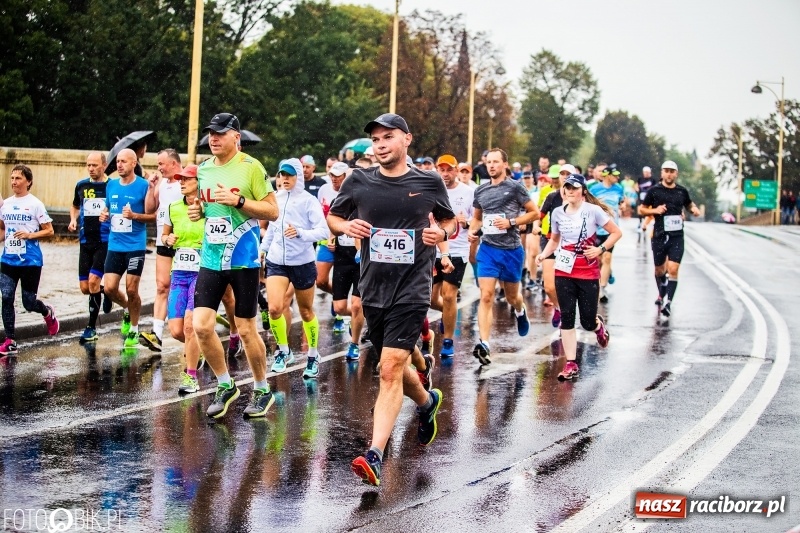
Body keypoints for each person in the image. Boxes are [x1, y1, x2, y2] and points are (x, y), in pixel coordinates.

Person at [327, 113, 456, 487]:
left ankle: (374, 455)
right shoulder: (359, 181)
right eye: (376, 139)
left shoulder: (428, 181)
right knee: (396, 370)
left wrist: (439, 232)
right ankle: (428, 401)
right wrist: (346, 226)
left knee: (388, 369)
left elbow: (451, 222)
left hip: (412, 288)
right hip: (373, 289)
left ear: (406, 140)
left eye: (388, 137)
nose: (380, 144)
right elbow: (334, 217)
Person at [189, 112, 279, 419]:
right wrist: (198, 212)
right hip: (212, 257)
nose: (213, 138)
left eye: (220, 133)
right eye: (210, 134)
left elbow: (272, 211)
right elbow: (206, 209)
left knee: (245, 328)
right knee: (201, 325)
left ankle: (262, 388)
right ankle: (226, 384)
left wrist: (240, 202)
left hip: (243, 258)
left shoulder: (251, 168)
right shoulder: (203, 169)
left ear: (235, 136)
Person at [536, 173, 621, 380]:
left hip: (588, 271)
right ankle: (571, 363)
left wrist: (600, 249)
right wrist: (544, 254)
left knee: (587, 321)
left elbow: (616, 233)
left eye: (574, 187)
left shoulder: (593, 211)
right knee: (567, 317)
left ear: (583, 190)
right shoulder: (557, 213)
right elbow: (554, 240)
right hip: (564, 270)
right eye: (567, 187)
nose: (570, 191)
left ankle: (598, 326)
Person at [468, 148, 540, 365]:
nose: (491, 165)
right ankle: (485, 344)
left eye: (496, 162)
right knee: (487, 295)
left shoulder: (516, 188)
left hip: (511, 250)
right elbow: (477, 219)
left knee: (512, 297)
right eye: (488, 162)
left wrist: (511, 222)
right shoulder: (481, 191)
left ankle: (520, 310)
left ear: (505, 164)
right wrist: (472, 230)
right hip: (488, 249)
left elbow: (534, 213)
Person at [260, 158, 328, 378]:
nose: (285, 179)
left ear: (298, 176)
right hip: (277, 261)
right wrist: (263, 249)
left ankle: (313, 354)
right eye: (282, 174)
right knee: (273, 308)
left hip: (303, 262)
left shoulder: (309, 201)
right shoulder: (276, 199)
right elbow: (271, 229)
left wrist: (301, 233)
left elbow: (323, 231)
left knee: (306, 311)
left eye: (289, 175)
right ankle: (283, 351)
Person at [99, 148, 157, 348]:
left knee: (132, 289)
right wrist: (104, 215)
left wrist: (135, 216)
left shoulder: (144, 186)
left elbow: (153, 215)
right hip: (115, 245)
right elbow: (108, 207)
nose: (119, 165)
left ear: (134, 163)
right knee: (109, 288)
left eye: (124, 161)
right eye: (118, 161)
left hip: (135, 245)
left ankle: (134, 328)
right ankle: (126, 309)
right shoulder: (111, 185)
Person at [0, 164, 59, 355]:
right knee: (7, 296)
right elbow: (3, 229)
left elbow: (50, 230)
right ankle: (10, 340)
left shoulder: (35, 204)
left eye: (18, 178)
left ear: (28, 181)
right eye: (12, 178)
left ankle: (46, 312)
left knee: (28, 302)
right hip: (8, 259)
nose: (14, 182)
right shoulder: (6, 204)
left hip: (30, 261)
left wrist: (29, 235)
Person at [160, 164, 205, 393]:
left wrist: (205, 245)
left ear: (199, 182)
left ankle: (191, 377)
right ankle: (202, 349)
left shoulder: (207, 209)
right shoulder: (174, 207)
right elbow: (164, 235)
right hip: (179, 272)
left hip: (202, 272)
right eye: (180, 179)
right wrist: (168, 240)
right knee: (177, 330)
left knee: (190, 326)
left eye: (187, 179)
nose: (182, 182)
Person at [638, 160, 701, 318]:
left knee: (673, 269)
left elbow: (689, 203)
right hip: (659, 235)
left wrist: (694, 209)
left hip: (677, 236)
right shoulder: (654, 191)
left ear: (676, 174)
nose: (669, 174)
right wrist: (656, 210)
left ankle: (668, 303)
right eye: (666, 171)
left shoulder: (681, 191)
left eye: (672, 171)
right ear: (662, 173)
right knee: (659, 270)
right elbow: (641, 209)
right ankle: (662, 291)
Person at [139, 149, 185, 351]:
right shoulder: (162, 184)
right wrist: (151, 188)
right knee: (162, 286)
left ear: (174, 164)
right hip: (163, 241)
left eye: (161, 164)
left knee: (184, 287)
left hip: (184, 241)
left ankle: (191, 334)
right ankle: (157, 333)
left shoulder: (187, 182)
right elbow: (149, 209)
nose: (158, 168)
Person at [431, 155, 473, 357]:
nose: (445, 174)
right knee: (430, 299)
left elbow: (477, 220)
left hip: (457, 250)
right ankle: (448, 316)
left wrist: (467, 222)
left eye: (449, 170)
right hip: (434, 250)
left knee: (448, 295)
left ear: (456, 171)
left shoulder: (468, 192)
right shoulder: (433, 190)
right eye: (442, 170)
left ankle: (448, 340)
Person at [68, 152, 111, 343]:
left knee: (93, 280)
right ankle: (106, 291)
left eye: (95, 165)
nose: (91, 168)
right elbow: (75, 205)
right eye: (88, 165)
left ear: (104, 165)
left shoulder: (111, 186)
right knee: (85, 287)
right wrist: (72, 220)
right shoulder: (81, 185)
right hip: (86, 240)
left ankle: (91, 328)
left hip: (104, 239)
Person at [316, 162, 349, 327]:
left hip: (344, 242)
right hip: (325, 240)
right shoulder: (324, 189)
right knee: (320, 281)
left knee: (341, 276)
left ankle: (340, 314)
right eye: (332, 175)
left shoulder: (351, 191)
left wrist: (335, 236)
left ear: (345, 176)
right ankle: (339, 296)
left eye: (338, 176)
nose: (334, 179)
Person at [588, 164, 625, 303]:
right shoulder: (594, 189)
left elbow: (622, 201)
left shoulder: (619, 188)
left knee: (607, 258)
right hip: (596, 230)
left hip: (611, 230)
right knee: (597, 260)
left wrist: (622, 205)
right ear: (608, 175)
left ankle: (601, 289)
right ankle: (597, 285)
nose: (617, 177)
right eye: (615, 175)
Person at [638, 166, 656, 234]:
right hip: (642, 198)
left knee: (649, 213)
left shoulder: (652, 180)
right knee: (640, 211)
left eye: (647, 172)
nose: (645, 174)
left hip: (649, 199)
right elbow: (638, 187)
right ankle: (641, 224)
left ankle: (646, 225)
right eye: (644, 172)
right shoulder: (640, 179)